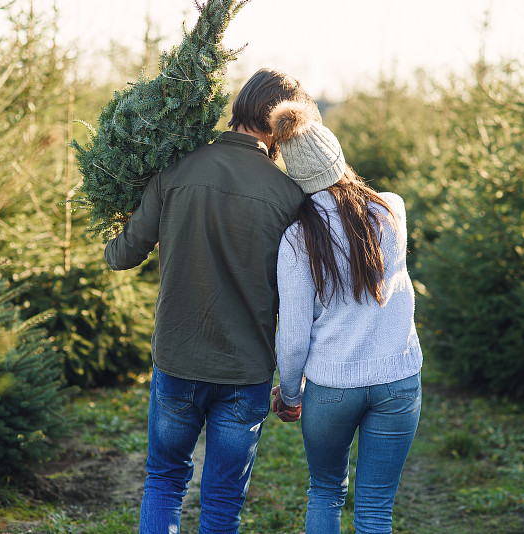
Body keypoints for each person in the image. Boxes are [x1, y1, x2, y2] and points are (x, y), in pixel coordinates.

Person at [103, 68, 316, 533]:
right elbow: (302, 295)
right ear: (285, 127)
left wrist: (111, 224)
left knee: (163, 481)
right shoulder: (290, 196)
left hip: (178, 360)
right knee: (222, 502)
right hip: (245, 372)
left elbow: (122, 256)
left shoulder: (178, 168)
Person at [269, 101, 423, 533]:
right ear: (337, 156)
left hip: (332, 388)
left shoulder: (297, 239)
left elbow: (294, 336)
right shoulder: (392, 209)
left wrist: (293, 395)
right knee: (375, 509)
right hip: (398, 381)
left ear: (296, 178)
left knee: (325, 491)